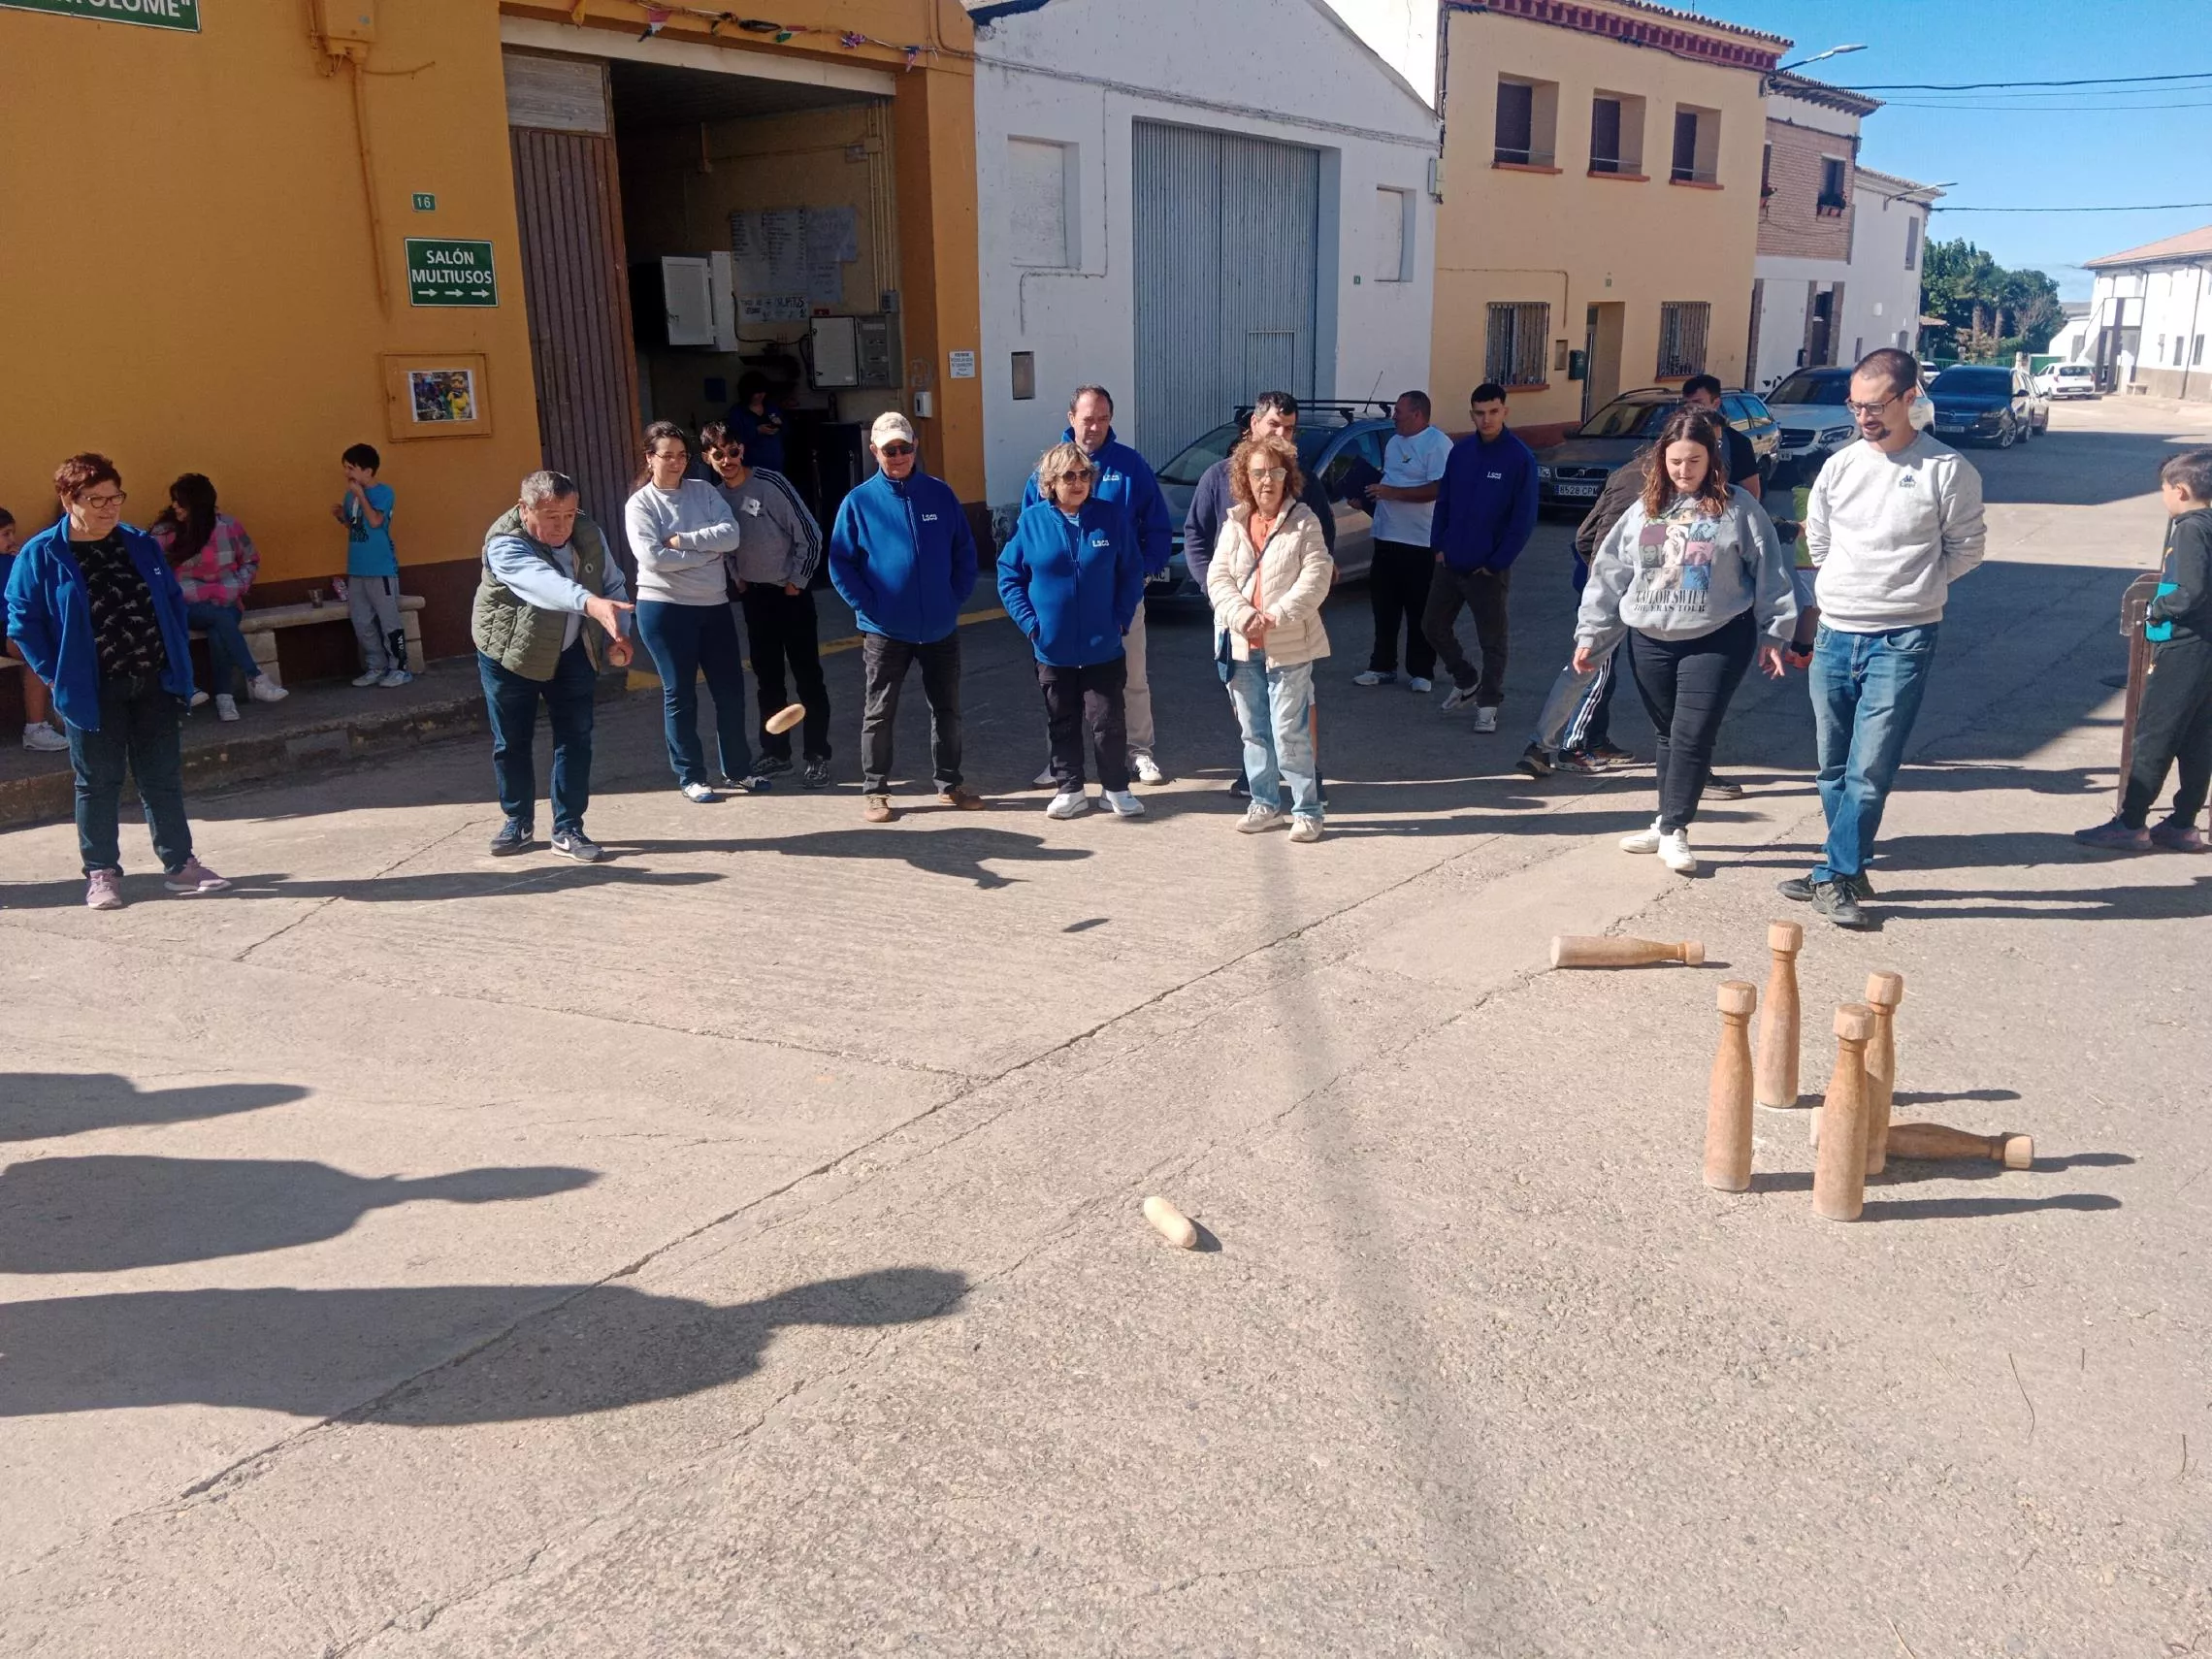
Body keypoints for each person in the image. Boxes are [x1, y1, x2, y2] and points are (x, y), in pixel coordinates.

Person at [1780, 347, 1986, 927]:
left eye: (1875, 405)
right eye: (1855, 404)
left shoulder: (1946, 471)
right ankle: (1846, 864)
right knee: (1830, 766)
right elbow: (1815, 539)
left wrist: (1912, 587)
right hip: (1836, 632)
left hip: (1904, 636)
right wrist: (1842, 591)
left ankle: (1836, 873)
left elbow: (1967, 548)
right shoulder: (1841, 466)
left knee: (1869, 766)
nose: (1864, 416)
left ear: (1908, 398)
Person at [1574, 408, 1796, 875]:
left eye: (1694, 460)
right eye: (1675, 460)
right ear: (1662, 459)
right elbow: (1610, 574)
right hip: (1650, 639)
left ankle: (1675, 828)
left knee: (1692, 735)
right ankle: (1664, 820)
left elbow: (1771, 571)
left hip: (1716, 638)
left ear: (1711, 460)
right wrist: (1591, 634)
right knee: (1667, 734)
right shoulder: (1644, 509)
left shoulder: (1738, 508)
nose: (1683, 470)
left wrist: (1777, 631)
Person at [4, 453, 228, 908]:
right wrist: (52, 675)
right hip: (91, 688)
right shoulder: (42, 553)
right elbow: (22, 621)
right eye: (97, 499)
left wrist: (175, 660)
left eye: (116, 498)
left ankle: (180, 864)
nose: (109, 508)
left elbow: (169, 600)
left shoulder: (139, 544)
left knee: (161, 777)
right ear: (68, 500)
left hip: (152, 680)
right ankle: (102, 872)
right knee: (97, 781)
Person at [829, 412, 983, 824]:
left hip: (939, 627)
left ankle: (950, 785)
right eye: (889, 450)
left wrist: (953, 598)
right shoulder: (858, 502)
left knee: (947, 709)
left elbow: (964, 553)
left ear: (915, 447)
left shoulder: (940, 495)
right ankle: (876, 791)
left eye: (904, 448)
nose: (898, 456)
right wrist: (868, 605)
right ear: (874, 451)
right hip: (884, 630)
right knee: (878, 712)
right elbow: (841, 563)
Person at [473, 470, 634, 862]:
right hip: (510, 653)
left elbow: (611, 582)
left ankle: (568, 827)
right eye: (551, 517)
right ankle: (517, 821)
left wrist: (620, 634)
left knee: (575, 738)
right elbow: (542, 582)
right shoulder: (504, 544)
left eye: (569, 514)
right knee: (511, 741)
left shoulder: (587, 531)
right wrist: (592, 604)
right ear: (523, 510)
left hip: (572, 651)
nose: (563, 526)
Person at [1183, 391, 1337, 797]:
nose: (1283, 434)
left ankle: (1309, 777)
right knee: (1245, 699)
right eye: (1275, 425)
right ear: (1254, 424)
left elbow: (1324, 545)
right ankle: (1258, 776)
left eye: (1290, 428)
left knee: (1299, 701)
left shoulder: (1302, 480)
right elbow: (1196, 536)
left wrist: (1297, 602)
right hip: (1234, 615)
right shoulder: (1217, 477)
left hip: (1286, 620)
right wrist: (1214, 592)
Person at [1020, 385, 1173, 785]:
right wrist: (1034, 615)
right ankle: (1060, 763)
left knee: (1132, 679)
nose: (1095, 427)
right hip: (1061, 609)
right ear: (1071, 418)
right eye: (1088, 418)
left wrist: (1144, 572)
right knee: (1060, 688)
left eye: (1103, 419)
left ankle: (1139, 752)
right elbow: (1026, 536)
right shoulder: (1048, 468)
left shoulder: (1129, 466)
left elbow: (1156, 523)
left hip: (1117, 599)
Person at [1000, 440, 1147, 821]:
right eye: (1069, 476)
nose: (1079, 482)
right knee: (1061, 722)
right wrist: (1032, 626)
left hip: (1103, 645)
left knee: (1108, 723)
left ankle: (1115, 788)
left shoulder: (1110, 518)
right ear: (1050, 482)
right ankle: (1070, 789)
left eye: (1085, 475)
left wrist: (1120, 617)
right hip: (1053, 648)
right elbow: (1009, 575)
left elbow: (1131, 571)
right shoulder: (1032, 522)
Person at [2076, 447, 2212, 853]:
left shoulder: (2191, 527)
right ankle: (2184, 823)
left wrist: (2155, 611)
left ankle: (2132, 821)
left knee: (2156, 732)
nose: (2164, 497)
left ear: (2182, 491)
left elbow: (2189, 590)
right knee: (2198, 737)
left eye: (2165, 489)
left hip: (2184, 645)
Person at [624, 420, 765, 802]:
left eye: (682, 456)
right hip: (665, 609)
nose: (675, 463)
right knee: (680, 693)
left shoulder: (703, 491)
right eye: (666, 456)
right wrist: (706, 552)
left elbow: (732, 535)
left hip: (713, 604)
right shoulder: (641, 504)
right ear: (649, 458)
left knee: (730, 690)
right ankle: (691, 776)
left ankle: (738, 769)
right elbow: (651, 558)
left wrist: (683, 542)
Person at [1208, 433, 1333, 841]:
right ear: (1245, 477)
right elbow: (1218, 577)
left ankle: (1308, 809)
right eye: (1258, 473)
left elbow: (1316, 578)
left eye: (1275, 472)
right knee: (1253, 730)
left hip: (1289, 645)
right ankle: (1264, 803)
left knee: (1288, 730)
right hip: (1243, 644)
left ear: (1288, 477)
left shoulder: (1305, 521)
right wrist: (1243, 615)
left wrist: (1275, 616)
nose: (1267, 481)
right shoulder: (1234, 522)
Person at [700, 420, 831, 789]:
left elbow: (810, 534)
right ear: (707, 458)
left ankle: (817, 754)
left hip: (789, 594)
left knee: (808, 675)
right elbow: (722, 545)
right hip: (755, 598)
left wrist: (796, 582)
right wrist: (737, 578)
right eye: (718, 454)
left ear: (743, 449)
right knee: (767, 677)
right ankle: (776, 752)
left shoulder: (770, 484)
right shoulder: (715, 497)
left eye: (733, 451)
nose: (727, 460)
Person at [1426, 381, 1538, 733]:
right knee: (1431, 625)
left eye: (1493, 412)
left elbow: (1523, 519)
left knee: (1492, 640)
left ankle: (1488, 703)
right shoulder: (1461, 453)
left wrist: (1495, 562)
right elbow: (1443, 503)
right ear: (1471, 414)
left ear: (1504, 411)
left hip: (1487, 569)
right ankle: (1466, 679)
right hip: (1450, 561)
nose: (1486, 419)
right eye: (1479, 413)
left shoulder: (1519, 458)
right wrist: (1438, 546)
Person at [147, 473, 288, 723]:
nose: (174, 507)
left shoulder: (229, 527)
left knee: (219, 627)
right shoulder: (165, 534)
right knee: (221, 620)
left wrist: (237, 587)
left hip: (227, 600)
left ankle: (225, 699)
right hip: (187, 606)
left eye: (180, 502)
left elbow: (250, 560)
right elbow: (151, 570)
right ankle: (254, 678)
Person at [1354, 389, 1453, 692]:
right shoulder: (1395, 442)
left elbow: (1439, 489)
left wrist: (1394, 494)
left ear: (1418, 414)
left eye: (1398, 411)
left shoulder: (1438, 444)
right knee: (1384, 608)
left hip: (1420, 541)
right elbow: (1391, 482)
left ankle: (1422, 671)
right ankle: (1382, 665)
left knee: (1419, 609)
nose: (1394, 416)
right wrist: (1368, 497)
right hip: (1386, 536)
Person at [331, 442, 411, 689]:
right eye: (345, 468)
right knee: (361, 621)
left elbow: (376, 521)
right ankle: (376, 666)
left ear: (368, 471)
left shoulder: (384, 493)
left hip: (381, 568)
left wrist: (360, 496)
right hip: (357, 568)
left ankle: (400, 668)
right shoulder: (350, 496)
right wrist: (341, 517)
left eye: (352, 468)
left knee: (389, 621)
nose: (347, 473)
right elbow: (356, 526)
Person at [0, 508, 69, 751]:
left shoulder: (15, 560)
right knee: (34, 649)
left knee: (50, 644)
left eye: (13, 533)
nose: (12, 540)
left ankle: (64, 713)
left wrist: (24, 565)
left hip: (26, 623)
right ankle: (36, 727)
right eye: (6, 534)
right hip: (6, 627)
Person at [723, 374, 786, 475]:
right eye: (757, 392)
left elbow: (787, 432)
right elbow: (733, 440)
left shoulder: (772, 408)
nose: (761, 395)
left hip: (776, 466)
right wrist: (757, 431)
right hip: (750, 467)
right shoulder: (737, 412)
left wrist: (780, 425)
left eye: (763, 392)